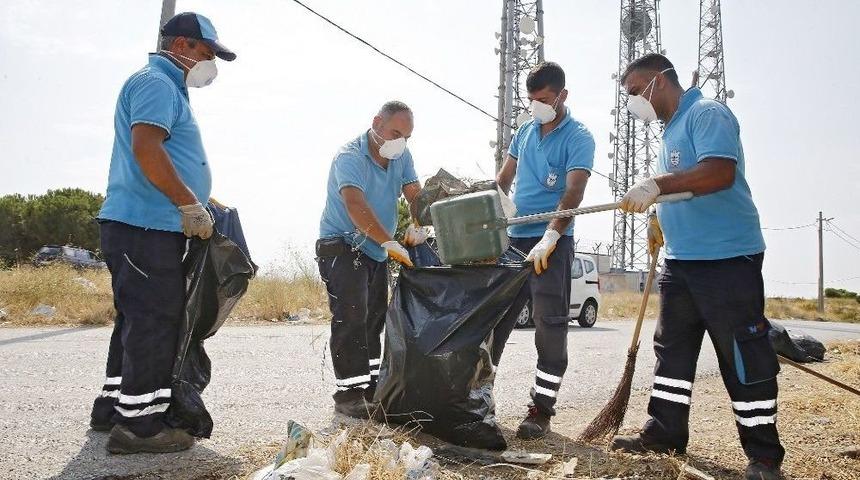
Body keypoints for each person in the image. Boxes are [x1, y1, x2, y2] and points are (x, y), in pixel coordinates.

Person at [609, 53, 784, 480]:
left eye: (635, 92)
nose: (633, 102)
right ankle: (664, 433)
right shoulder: (669, 131)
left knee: (742, 355)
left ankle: (764, 456)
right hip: (682, 261)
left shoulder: (706, 114)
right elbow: (677, 189)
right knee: (672, 352)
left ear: (659, 81)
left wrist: (656, 185)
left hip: (726, 260)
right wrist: (658, 216)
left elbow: (718, 173)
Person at [89, 12, 236, 454]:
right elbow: (147, 148)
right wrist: (187, 202)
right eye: (207, 53)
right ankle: (139, 427)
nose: (211, 63)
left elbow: (163, 154)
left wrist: (202, 198)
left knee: (135, 318)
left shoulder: (165, 86)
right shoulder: (157, 83)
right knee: (154, 319)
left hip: (142, 225)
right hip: (145, 226)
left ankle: (114, 406)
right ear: (182, 45)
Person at [495, 62, 594, 439]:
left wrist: (551, 236)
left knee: (549, 325)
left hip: (552, 241)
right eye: (531, 100)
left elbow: (573, 192)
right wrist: (492, 207)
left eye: (544, 99)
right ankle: (477, 395)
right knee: (495, 318)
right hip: (515, 238)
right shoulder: (524, 131)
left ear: (562, 96)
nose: (536, 106)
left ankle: (541, 408)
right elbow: (504, 180)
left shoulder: (578, 137)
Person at [317, 101, 427, 419]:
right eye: (395, 133)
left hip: (375, 249)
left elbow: (415, 195)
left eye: (406, 137)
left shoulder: (401, 156)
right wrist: (390, 241)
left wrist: (419, 222)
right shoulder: (350, 157)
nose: (400, 142)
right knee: (351, 316)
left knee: (374, 320)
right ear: (377, 122)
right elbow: (355, 205)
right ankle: (349, 393)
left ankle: (372, 388)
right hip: (342, 244)